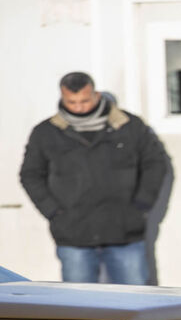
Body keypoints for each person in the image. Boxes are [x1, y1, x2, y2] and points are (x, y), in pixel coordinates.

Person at [19, 72, 170, 285]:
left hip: (124, 233)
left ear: (96, 95)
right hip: (74, 236)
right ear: (63, 97)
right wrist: (53, 211)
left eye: (84, 100)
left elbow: (155, 163)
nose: (79, 107)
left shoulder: (129, 126)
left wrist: (141, 204)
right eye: (72, 102)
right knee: (81, 308)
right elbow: (30, 174)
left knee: (136, 305)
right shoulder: (46, 133)